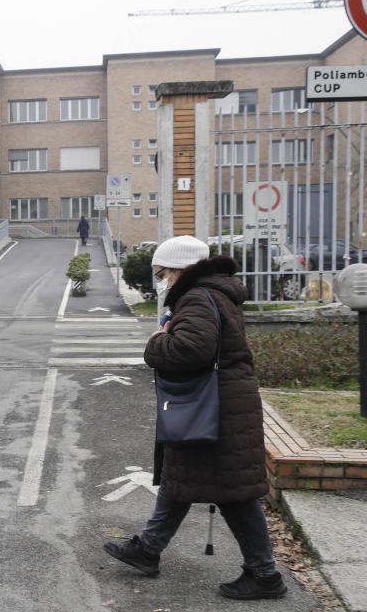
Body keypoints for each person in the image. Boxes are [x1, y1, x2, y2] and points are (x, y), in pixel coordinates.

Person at [102, 235, 287, 601]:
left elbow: (191, 348)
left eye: (162, 273)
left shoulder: (197, 298)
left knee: (234, 494)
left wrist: (156, 342)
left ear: (181, 270)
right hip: (221, 405)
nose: (160, 281)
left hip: (215, 409)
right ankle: (148, 550)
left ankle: (265, 575)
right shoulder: (213, 294)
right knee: (180, 476)